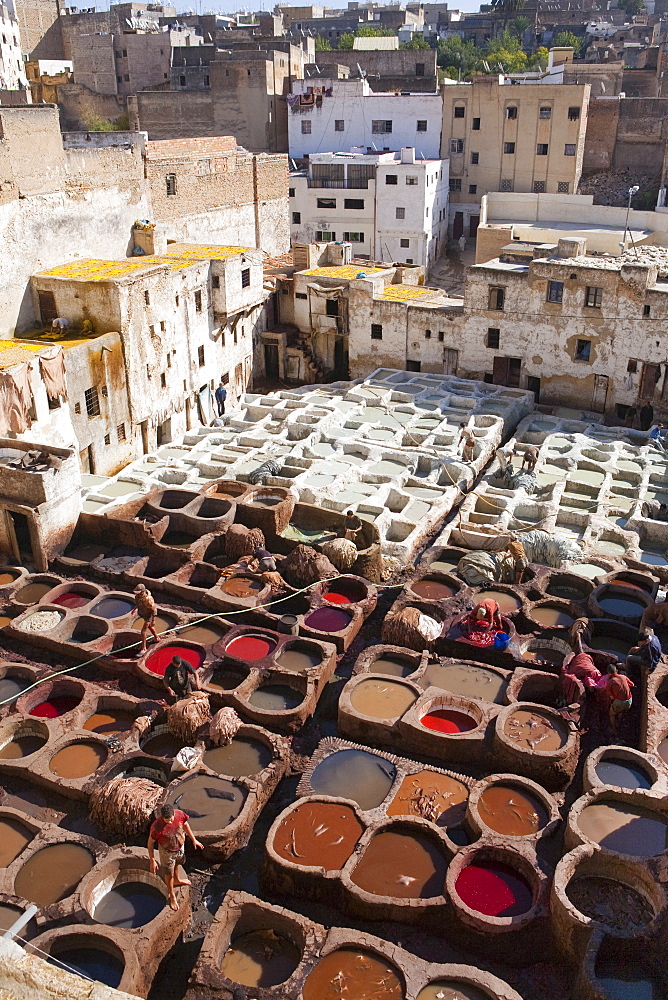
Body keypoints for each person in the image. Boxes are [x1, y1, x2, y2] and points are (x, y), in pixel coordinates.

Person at [148, 803, 203, 910]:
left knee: (178, 863)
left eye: (170, 819)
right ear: (161, 817)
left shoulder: (180, 815)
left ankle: (177, 880)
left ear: (173, 813)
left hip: (179, 847)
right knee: (168, 874)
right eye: (166, 820)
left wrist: (193, 839)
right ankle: (172, 896)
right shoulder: (157, 827)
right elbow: (150, 843)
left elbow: (186, 825)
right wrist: (152, 860)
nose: (169, 821)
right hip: (166, 852)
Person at [603, 663, 634, 736]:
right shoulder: (623, 677)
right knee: (621, 711)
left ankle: (614, 730)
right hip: (629, 700)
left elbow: (611, 696)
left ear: (608, 673)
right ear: (616, 670)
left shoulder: (611, 682)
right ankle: (619, 723)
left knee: (612, 714)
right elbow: (632, 684)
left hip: (620, 702)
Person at [133, 584, 160, 653]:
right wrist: (135, 609)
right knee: (150, 627)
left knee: (143, 632)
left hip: (149, 615)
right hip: (144, 613)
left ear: (142, 592)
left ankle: (143, 648)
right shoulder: (137, 596)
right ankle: (157, 638)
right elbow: (137, 603)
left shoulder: (148, 599)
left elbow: (154, 609)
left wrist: (153, 619)